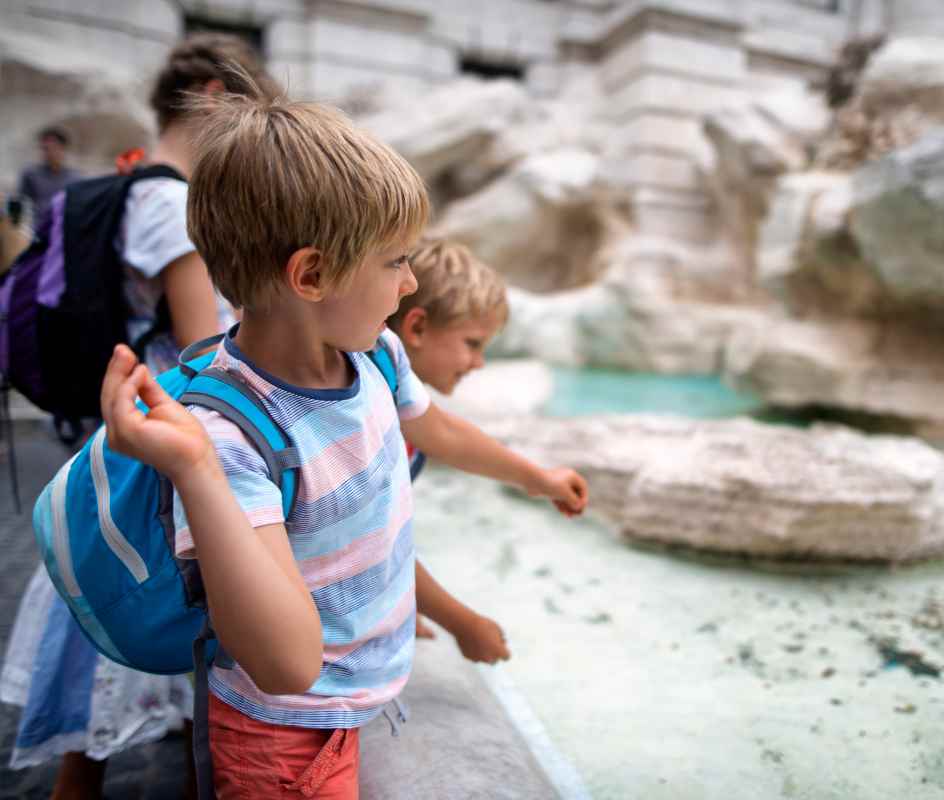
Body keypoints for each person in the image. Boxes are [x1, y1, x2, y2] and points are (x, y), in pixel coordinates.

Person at [99, 87, 588, 797]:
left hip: (358, 691)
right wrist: (195, 473)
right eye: (395, 262)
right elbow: (287, 665)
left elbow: (436, 429)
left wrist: (534, 477)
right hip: (287, 739)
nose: (411, 280)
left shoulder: (376, 356)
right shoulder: (228, 437)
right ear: (314, 275)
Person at [0, 33, 280, 800]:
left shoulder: (136, 188)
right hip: (169, 433)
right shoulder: (169, 201)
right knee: (163, 622)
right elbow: (201, 346)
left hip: (135, 430)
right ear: (217, 101)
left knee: (128, 637)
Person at [388, 238, 512, 657]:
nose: (478, 363)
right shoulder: (377, 417)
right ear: (417, 328)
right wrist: (464, 624)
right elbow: (377, 544)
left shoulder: (394, 399)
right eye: (473, 344)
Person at [17, 127, 81, 221]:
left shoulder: (75, 178)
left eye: (53, 148)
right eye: (45, 149)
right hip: (37, 227)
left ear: (63, 149)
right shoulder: (31, 175)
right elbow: (22, 204)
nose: (49, 153)